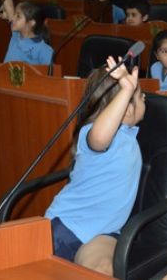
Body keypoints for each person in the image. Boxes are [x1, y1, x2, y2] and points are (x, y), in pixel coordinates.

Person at [44, 57, 145, 275]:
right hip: (67, 225)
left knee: (103, 270)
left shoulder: (128, 135)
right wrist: (127, 90)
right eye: (140, 96)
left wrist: (127, 92)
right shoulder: (92, 135)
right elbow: (100, 136)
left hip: (105, 232)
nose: (144, 98)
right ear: (126, 109)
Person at [0, 0, 53, 65]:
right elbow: (8, 4)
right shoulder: (15, 35)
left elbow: (47, 78)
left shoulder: (44, 50)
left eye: (18, 16)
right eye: (14, 15)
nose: (13, 18)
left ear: (31, 22)